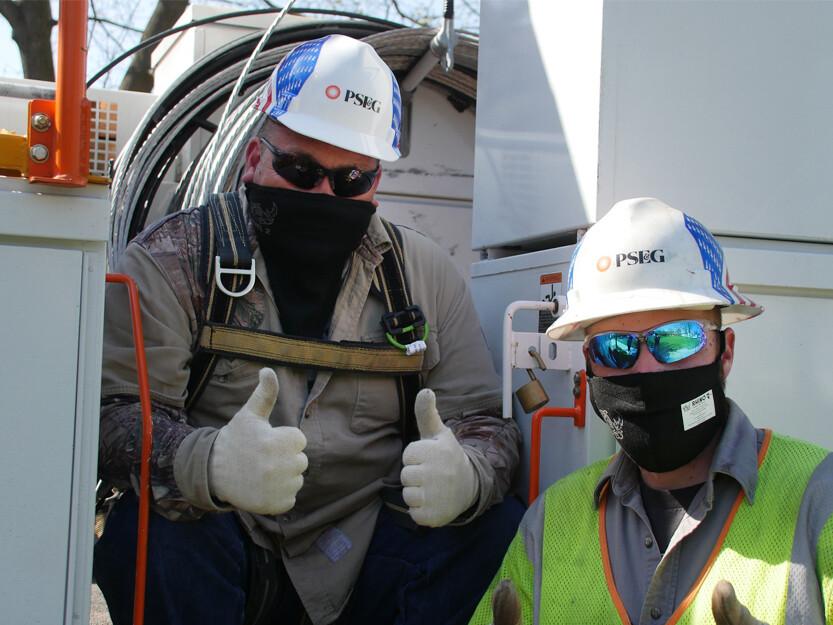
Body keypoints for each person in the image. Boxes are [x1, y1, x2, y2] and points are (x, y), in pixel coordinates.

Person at [95, 34, 523, 625]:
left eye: (349, 181)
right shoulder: (174, 261)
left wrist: (469, 474)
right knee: (144, 533)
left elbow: (482, 423)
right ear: (253, 159)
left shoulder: (423, 278)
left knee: (493, 526)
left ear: (375, 183)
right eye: (299, 170)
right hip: (224, 534)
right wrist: (209, 462)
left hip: (366, 547)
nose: (324, 194)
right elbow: (116, 417)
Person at [469, 197, 833, 625]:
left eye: (677, 340)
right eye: (615, 348)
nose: (646, 368)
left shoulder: (820, 500)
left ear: (725, 353)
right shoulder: (550, 522)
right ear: (589, 367)